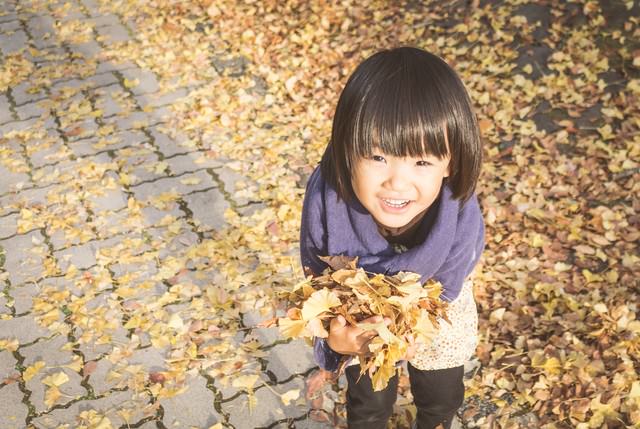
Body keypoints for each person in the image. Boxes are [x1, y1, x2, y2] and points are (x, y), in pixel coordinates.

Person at [299, 47, 485, 429]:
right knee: (368, 400)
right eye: (378, 157)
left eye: (421, 162)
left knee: (441, 393)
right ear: (348, 150)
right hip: (359, 312)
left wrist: (409, 326)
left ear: (450, 162)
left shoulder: (461, 212)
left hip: (438, 303)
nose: (397, 183)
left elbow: (449, 281)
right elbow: (318, 287)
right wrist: (336, 344)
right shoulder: (325, 200)